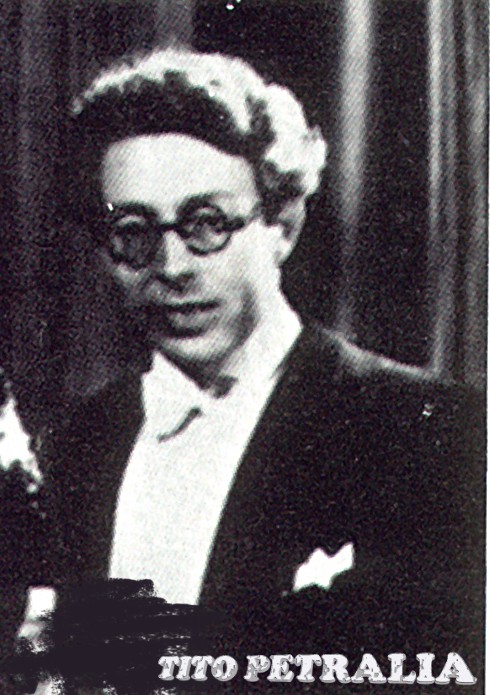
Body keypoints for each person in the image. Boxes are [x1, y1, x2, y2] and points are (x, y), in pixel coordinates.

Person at [1, 47, 484, 691]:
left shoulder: (430, 430)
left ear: (282, 226)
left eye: (207, 224)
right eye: (135, 232)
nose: (172, 267)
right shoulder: (71, 448)